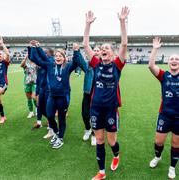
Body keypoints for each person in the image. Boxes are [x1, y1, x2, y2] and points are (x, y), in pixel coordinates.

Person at [83, 7, 129, 180]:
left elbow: (124, 44)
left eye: (107, 48)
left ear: (113, 53)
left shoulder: (117, 65)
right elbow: (86, 44)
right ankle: (101, 172)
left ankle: (116, 155)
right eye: (102, 48)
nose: (104, 50)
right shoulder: (96, 64)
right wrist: (87, 24)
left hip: (111, 109)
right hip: (95, 108)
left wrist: (122, 22)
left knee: (111, 142)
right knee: (100, 140)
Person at [28, 41, 85, 149]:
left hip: (63, 97)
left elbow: (76, 62)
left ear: (64, 58)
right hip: (52, 96)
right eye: (56, 56)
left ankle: (60, 138)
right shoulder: (50, 65)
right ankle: (57, 132)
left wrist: (76, 51)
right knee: (49, 116)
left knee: (62, 118)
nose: (58, 57)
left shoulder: (67, 67)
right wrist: (33, 47)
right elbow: (36, 59)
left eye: (60, 56)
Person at [148, 37, 179, 179]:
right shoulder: (164, 76)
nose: (174, 61)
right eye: (172, 59)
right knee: (158, 141)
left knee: (175, 143)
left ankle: (172, 167)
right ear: (168, 62)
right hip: (165, 115)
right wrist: (155, 48)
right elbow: (151, 66)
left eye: (177, 59)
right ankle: (158, 157)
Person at [82, 46, 101, 146]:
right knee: (85, 114)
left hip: (98, 95)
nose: (97, 52)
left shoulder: (104, 65)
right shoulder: (87, 64)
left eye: (98, 50)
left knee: (95, 116)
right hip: (88, 92)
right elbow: (80, 61)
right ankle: (88, 129)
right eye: (95, 50)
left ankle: (94, 134)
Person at [21, 54, 37, 118]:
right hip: (27, 82)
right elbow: (21, 65)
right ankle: (31, 112)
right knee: (29, 98)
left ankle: (37, 108)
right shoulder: (26, 64)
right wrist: (25, 57)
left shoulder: (36, 63)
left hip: (35, 82)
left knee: (34, 97)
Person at [0, 36, 10, 124]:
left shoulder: (4, 63)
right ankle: (3, 116)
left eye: (0, 55)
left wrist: (2, 44)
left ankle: (3, 117)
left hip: (3, 83)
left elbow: (8, 54)